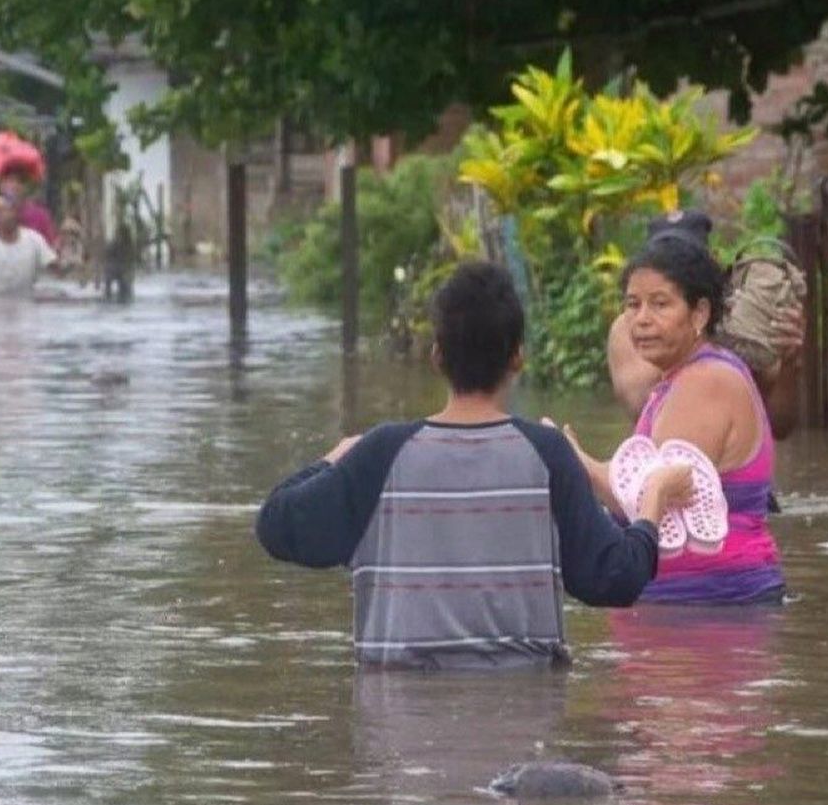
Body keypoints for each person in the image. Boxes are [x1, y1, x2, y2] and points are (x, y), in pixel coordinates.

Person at [254, 262, 694, 669]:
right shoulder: (547, 453)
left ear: (438, 356)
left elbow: (276, 526)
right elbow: (615, 579)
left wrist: (336, 457)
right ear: (518, 358)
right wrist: (653, 498)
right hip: (525, 719)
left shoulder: (381, 454)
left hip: (397, 731)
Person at [560, 228, 786, 604]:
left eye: (660, 304)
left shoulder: (705, 381)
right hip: (690, 611)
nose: (641, 319)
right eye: (633, 305)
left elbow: (652, 497)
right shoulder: (677, 380)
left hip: (712, 611)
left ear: (699, 312)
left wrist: (573, 460)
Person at [607, 210, 804, 438]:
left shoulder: (738, 329)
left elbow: (779, 426)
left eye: (685, 263)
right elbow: (639, 402)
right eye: (665, 260)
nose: (675, 270)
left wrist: (788, 363)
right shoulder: (631, 324)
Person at [0, 139, 58, 247]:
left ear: (26, 186)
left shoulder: (40, 216)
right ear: (0, 183)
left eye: (19, 181)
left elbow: (51, 251)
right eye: (8, 180)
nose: (13, 185)